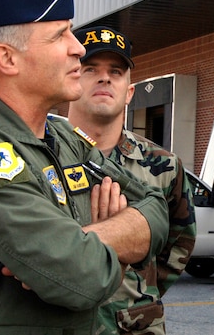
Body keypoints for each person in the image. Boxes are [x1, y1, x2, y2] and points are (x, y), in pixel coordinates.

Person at [0, 0, 169, 334]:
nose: (78, 48)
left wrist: (90, 240)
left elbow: (156, 208)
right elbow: (82, 280)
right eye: (61, 35)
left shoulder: (61, 135)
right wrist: (117, 247)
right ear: (7, 59)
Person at [68, 25, 197, 334]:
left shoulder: (164, 166)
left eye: (116, 71)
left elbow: (179, 242)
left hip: (135, 325)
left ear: (129, 92)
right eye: (91, 69)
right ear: (70, 81)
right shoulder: (43, 156)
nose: (105, 78)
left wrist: (141, 290)